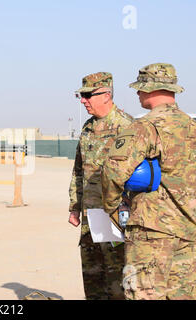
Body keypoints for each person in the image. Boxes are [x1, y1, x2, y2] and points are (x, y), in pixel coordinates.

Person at [101, 63, 196, 300]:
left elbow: (112, 171)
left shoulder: (145, 127)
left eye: (139, 89)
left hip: (151, 235)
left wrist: (114, 210)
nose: (137, 93)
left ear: (148, 89)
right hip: (188, 234)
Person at [68, 72, 133, 300]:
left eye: (87, 95)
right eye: (81, 95)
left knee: (117, 281)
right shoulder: (87, 128)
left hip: (115, 218)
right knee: (92, 279)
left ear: (106, 95)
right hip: (89, 218)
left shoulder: (127, 127)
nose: (83, 100)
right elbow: (78, 170)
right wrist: (75, 206)